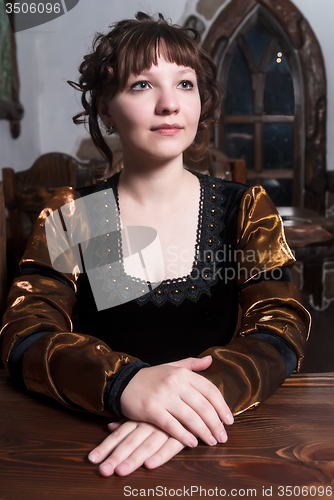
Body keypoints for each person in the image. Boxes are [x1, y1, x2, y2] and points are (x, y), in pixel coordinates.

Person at [0, 12, 310, 477]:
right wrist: (125, 384)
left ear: (202, 101)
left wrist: (193, 402)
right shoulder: (80, 214)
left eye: (185, 84)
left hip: (228, 442)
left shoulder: (244, 208)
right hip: (98, 447)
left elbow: (281, 326)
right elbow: (25, 333)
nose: (169, 104)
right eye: (142, 85)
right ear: (104, 107)